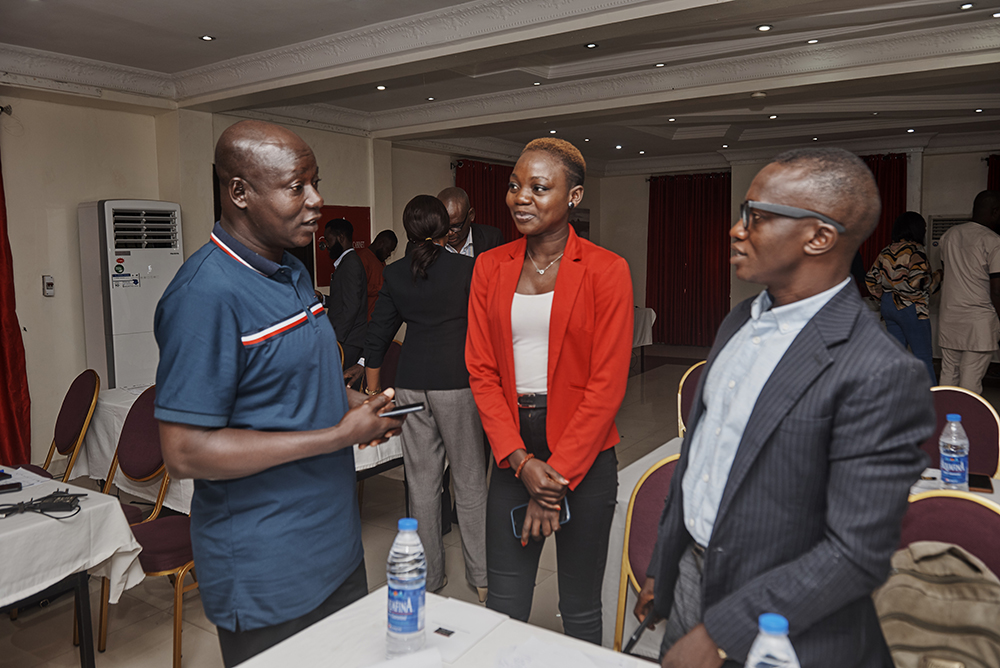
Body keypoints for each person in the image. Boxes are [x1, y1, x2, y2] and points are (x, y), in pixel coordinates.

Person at [634, 147, 934, 668]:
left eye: (756, 216)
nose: (735, 230)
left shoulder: (879, 370)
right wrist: (665, 564)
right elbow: (701, 459)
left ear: (819, 237)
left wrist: (721, 633)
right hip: (689, 575)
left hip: (784, 622)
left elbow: (854, 554)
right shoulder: (739, 319)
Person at [153, 119, 404, 667]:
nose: (316, 201)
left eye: (315, 183)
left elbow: (291, 384)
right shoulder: (204, 296)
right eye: (296, 187)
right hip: (267, 567)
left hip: (336, 546)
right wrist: (337, 436)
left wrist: (355, 405)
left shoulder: (292, 271)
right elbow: (185, 452)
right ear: (239, 192)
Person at [466, 137, 633, 644]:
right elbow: (482, 370)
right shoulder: (489, 266)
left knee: (579, 608)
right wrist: (522, 464)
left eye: (539, 188)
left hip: (584, 455)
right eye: (515, 186)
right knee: (504, 603)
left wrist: (554, 480)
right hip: (513, 451)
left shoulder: (606, 270)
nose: (521, 198)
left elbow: (606, 386)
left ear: (574, 196)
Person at [362, 195, 488, 600]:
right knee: (469, 481)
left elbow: (377, 337)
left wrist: (373, 395)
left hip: (411, 386)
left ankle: (430, 579)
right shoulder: (467, 269)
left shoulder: (396, 273)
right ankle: (482, 578)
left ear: (408, 231)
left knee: (421, 483)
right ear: (445, 229)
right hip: (457, 383)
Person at [865, 211, 941, 383]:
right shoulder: (915, 251)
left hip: (889, 306)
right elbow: (918, 282)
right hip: (910, 307)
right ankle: (932, 398)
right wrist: (938, 276)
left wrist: (883, 297)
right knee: (923, 358)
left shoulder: (886, 251)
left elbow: (870, 278)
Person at [937, 190, 1000, 393]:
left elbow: (948, 272)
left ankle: (944, 411)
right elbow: (997, 290)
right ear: (995, 211)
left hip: (950, 317)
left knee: (949, 374)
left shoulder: (949, 236)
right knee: (970, 378)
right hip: (979, 321)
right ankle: (967, 414)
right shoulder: (993, 241)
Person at [404, 186, 504, 258]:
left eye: (457, 226)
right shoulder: (418, 245)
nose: (450, 233)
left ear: (471, 215)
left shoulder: (492, 238)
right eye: (444, 226)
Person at [326, 217, 368, 367]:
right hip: (347, 339)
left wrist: (336, 339)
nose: (327, 245)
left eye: (329, 240)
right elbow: (344, 300)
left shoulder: (351, 264)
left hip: (348, 341)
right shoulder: (346, 263)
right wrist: (323, 299)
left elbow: (351, 306)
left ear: (341, 237)